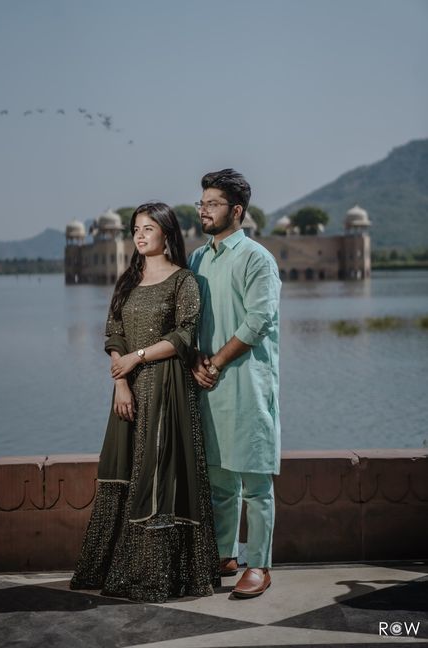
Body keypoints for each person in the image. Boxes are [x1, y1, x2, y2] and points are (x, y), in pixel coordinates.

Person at [71, 202, 220, 602]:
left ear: (167, 234)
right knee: (122, 468)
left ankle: (157, 573)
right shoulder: (127, 281)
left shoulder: (183, 281)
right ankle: (110, 565)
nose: (139, 235)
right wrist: (121, 382)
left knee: (157, 470)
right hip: (128, 388)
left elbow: (184, 337)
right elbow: (114, 334)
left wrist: (138, 358)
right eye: (135, 228)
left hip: (168, 388)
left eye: (148, 228)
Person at [189, 169, 281, 599]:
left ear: (236, 210)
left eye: (212, 204)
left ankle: (259, 565)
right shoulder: (198, 259)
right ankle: (225, 554)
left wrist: (218, 361)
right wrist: (196, 362)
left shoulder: (257, 258)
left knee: (256, 481)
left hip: (245, 381)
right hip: (210, 383)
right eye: (202, 203)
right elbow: (189, 319)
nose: (203, 210)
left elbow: (259, 321)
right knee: (221, 478)